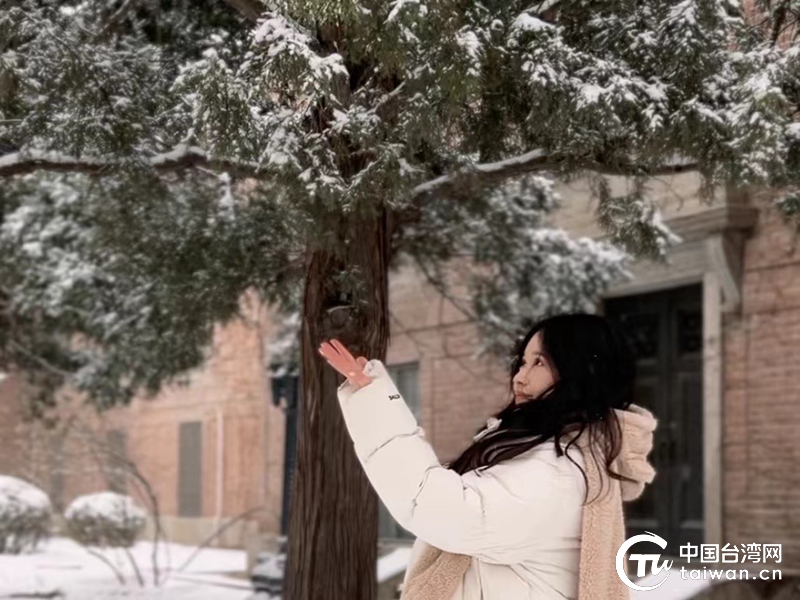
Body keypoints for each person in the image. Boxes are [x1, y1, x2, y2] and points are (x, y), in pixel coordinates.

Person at [319, 312, 658, 600]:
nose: (520, 376)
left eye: (539, 362)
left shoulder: (558, 473)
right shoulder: (547, 454)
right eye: (522, 361)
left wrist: (375, 401)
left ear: (581, 372)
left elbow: (438, 509)